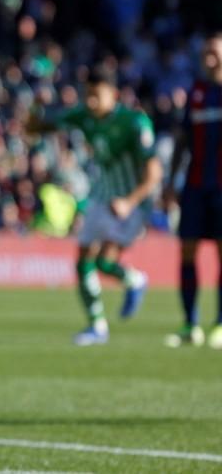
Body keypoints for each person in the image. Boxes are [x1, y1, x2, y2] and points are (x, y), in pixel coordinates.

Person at [29, 70, 160, 346]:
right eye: (87, 95)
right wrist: (35, 107)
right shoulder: (83, 115)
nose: (90, 101)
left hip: (131, 202)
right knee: (84, 260)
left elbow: (154, 173)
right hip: (101, 196)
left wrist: (129, 202)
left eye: (96, 95)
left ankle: (135, 280)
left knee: (104, 262)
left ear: (114, 95)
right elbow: (35, 128)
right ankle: (97, 326)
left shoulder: (134, 123)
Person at [164, 31, 222, 348]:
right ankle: (190, 323)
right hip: (196, 186)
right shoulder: (197, 92)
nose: (209, 58)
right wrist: (172, 182)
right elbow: (182, 140)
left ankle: (220, 324)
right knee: (187, 251)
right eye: (206, 53)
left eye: (214, 52)